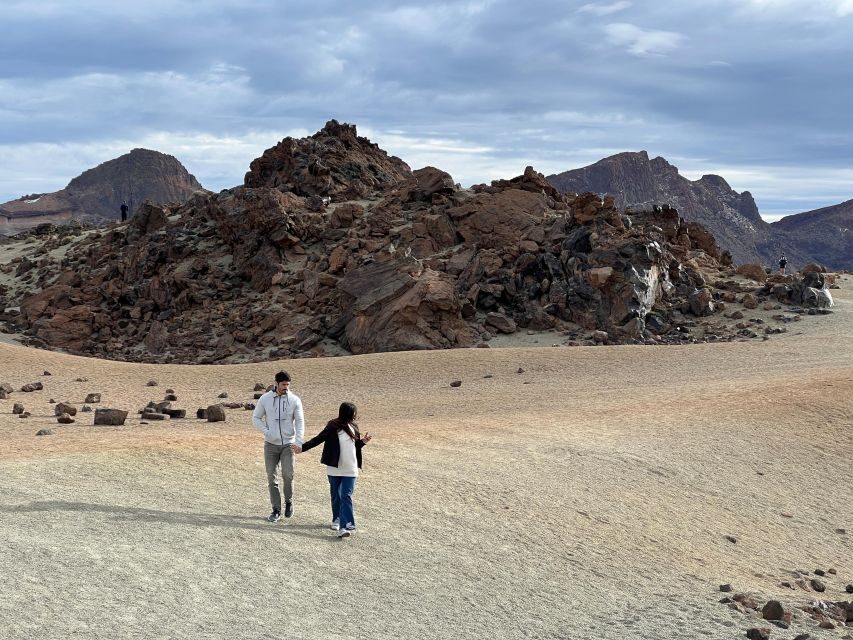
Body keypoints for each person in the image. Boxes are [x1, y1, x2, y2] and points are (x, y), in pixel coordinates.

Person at [293, 402, 372, 538]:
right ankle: (336, 518)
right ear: (346, 413)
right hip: (334, 468)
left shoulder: (354, 426)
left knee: (346, 495)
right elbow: (318, 439)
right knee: (336, 495)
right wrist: (302, 448)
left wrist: (363, 442)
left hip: (351, 468)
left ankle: (345, 526)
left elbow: (354, 446)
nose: (354, 415)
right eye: (353, 412)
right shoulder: (333, 425)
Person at [253, 371, 305, 522]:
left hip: (289, 444)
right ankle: (276, 509)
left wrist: (299, 441)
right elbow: (256, 418)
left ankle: (289, 502)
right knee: (272, 477)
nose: (286, 387)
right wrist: (267, 432)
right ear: (276, 383)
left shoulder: (294, 400)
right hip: (270, 445)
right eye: (283, 384)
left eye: (288, 384)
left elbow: (300, 421)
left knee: (288, 475)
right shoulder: (265, 399)